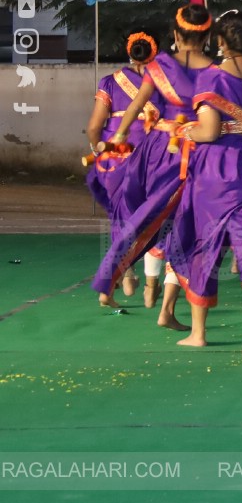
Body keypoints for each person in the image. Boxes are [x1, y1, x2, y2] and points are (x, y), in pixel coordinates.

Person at [167, 11, 242, 352]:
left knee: (205, 246)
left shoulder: (210, 79)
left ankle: (198, 333)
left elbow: (209, 131)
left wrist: (183, 130)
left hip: (218, 172)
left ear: (220, 42)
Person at [99, 5, 219, 326]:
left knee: (154, 218)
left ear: (176, 35)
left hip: (158, 152)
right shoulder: (216, 72)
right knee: (186, 232)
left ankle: (121, 278)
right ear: (207, 37)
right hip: (197, 154)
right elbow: (217, 125)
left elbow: (137, 105)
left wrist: (118, 138)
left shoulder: (159, 66)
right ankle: (162, 304)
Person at [84, 31, 158, 305]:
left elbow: (94, 128)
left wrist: (98, 151)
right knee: (153, 216)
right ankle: (152, 285)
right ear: (155, 54)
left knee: (120, 215)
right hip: (152, 156)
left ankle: (124, 274)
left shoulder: (109, 82)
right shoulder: (161, 83)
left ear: (129, 53)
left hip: (114, 157)